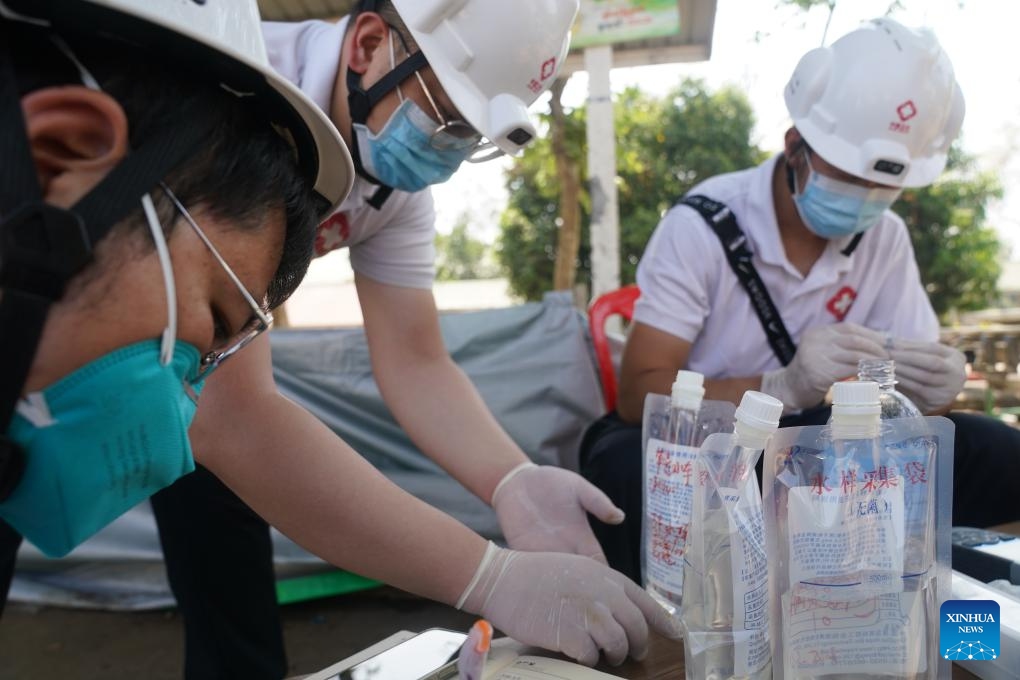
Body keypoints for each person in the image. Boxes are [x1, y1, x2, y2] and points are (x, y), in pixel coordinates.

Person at [0, 0, 681, 674]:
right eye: (444, 117)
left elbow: (415, 361)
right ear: (367, 46)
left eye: (467, 140)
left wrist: (513, 478)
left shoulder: (397, 192)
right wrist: (486, 575)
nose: (443, 155)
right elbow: (232, 415)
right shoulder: (223, 87)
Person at [579, 17, 1020, 584]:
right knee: (623, 469)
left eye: (883, 188)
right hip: (722, 444)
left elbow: (906, 410)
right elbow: (640, 394)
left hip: (835, 446)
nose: (865, 200)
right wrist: (777, 388)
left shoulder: (885, 239)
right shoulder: (702, 226)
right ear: (796, 148)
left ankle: (955, 596)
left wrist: (930, 392)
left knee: (993, 449)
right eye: (848, 178)